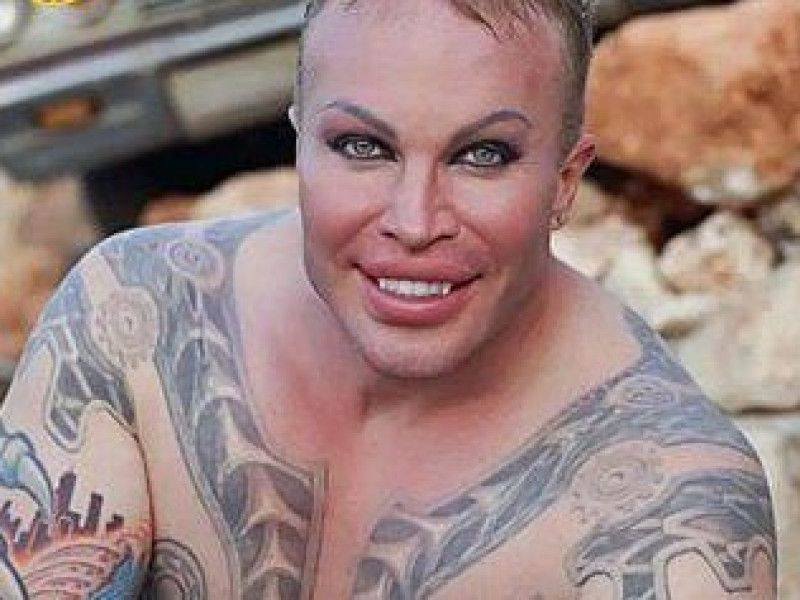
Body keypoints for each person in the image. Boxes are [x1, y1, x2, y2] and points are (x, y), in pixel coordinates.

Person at [0, 0, 777, 598]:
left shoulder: (669, 509)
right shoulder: (138, 320)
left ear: (565, 182)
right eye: (362, 147)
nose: (414, 221)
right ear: (299, 144)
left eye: (483, 155)